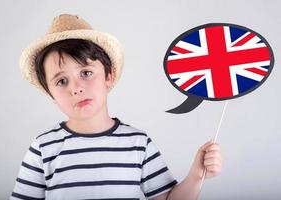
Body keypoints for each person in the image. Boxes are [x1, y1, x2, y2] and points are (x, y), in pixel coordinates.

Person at [11, 14, 222, 200]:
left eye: (86, 73)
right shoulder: (43, 148)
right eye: (61, 81)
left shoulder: (138, 144)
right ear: (52, 96)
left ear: (108, 76)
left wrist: (196, 175)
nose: (76, 88)